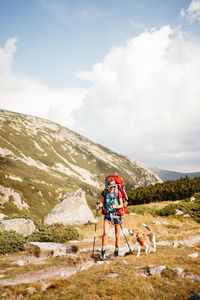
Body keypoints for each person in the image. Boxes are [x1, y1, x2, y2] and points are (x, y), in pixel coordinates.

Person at [96, 178, 123, 260]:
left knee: (117, 236)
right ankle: (103, 253)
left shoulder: (117, 192)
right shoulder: (105, 193)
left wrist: (116, 206)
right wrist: (99, 206)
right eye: (111, 187)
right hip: (107, 215)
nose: (112, 188)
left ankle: (116, 251)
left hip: (116, 215)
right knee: (105, 233)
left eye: (114, 187)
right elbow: (102, 202)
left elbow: (122, 205)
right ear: (107, 186)